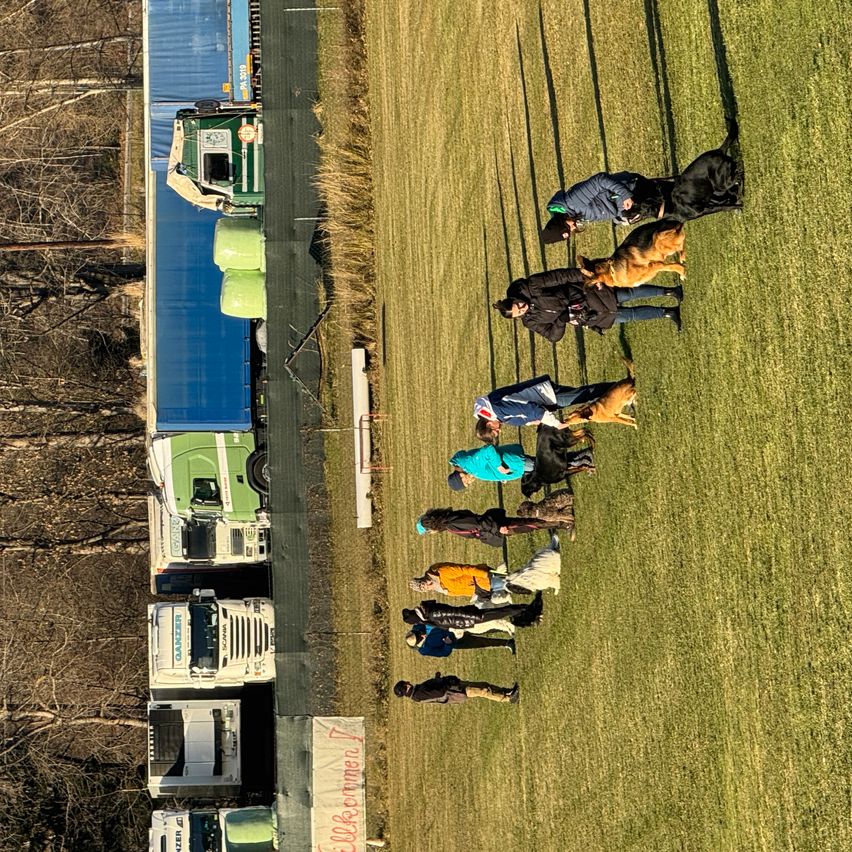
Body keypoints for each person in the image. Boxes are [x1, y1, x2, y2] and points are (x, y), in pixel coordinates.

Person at [492, 267, 683, 341]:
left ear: (516, 299)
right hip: (586, 316)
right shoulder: (531, 322)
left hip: (585, 294)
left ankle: (669, 291)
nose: (522, 308)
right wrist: (562, 319)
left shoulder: (532, 285)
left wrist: (588, 277)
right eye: (519, 312)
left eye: (519, 305)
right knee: (626, 316)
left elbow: (561, 276)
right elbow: (552, 336)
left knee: (627, 294)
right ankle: (667, 312)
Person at [473, 374, 620, 443]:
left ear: (488, 423)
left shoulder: (499, 408)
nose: (499, 431)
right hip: (547, 397)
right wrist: (532, 422)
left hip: (547, 394)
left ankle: (622, 387)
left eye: (495, 431)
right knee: (584, 394)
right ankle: (620, 393)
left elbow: (533, 410)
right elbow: (524, 417)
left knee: (585, 394)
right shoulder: (499, 414)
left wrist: (557, 424)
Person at [410, 538, 562, 600]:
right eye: (425, 589)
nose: (428, 587)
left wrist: (485, 574)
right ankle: (547, 572)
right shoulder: (438, 586)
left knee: (517, 581)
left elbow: (465, 569)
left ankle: (549, 577)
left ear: (425, 580)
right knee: (517, 580)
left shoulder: (441, 572)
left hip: (484, 579)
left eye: (425, 584)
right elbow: (460, 589)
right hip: (481, 588)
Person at [542, 171, 672, 242]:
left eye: (567, 227)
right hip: (624, 205)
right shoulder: (572, 214)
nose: (572, 228)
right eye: (569, 232)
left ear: (559, 221)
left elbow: (599, 180)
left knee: (668, 207)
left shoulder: (573, 202)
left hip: (631, 189)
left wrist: (625, 194)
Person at [416, 507, 565, 547]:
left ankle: (563, 521)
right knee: (531, 523)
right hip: (494, 523)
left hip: (496, 526)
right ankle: (560, 519)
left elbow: (478, 524)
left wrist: (498, 529)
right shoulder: (450, 517)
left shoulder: (452, 525)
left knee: (532, 524)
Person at [402, 592, 543, 631]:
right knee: (503, 612)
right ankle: (531, 612)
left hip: (469, 618)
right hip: (470, 618)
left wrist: (472, 615)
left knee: (503, 611)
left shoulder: (431, 615)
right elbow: (452, 617)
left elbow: (453, 615)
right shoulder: (430, 613)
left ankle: (531, 613)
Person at [447, 443, 534, 490]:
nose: (469, 483)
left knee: (544, 468)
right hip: (515, 467)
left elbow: (488, 450)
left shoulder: (471, 465)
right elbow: (487, 465)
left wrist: (500, 467)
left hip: (515, 464)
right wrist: (501, 477)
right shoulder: (467, 467)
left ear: (461, 476)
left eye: (466, 483)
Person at [394, 674, 520, 705]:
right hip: (456, 691)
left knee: (484, 685)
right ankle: (508, 698)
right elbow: (439, 692)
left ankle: (507, 691)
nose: (408, 681)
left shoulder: (416, 693)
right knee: (483, 690)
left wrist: (437, 679)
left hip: (455, 689)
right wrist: (446, 683)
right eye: (405, 682)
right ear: (406, 686)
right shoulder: (418, 693)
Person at [405, 624, 516, 656]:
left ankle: (506, 627)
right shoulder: (425, 650)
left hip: (456, 625)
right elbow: (443, 652)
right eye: (421, 639)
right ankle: (506, 643)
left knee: (482, 628)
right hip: (456, 641)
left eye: (420, 634)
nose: (423, 636)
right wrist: (448, 644)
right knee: (480, 642)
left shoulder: (418, 626)